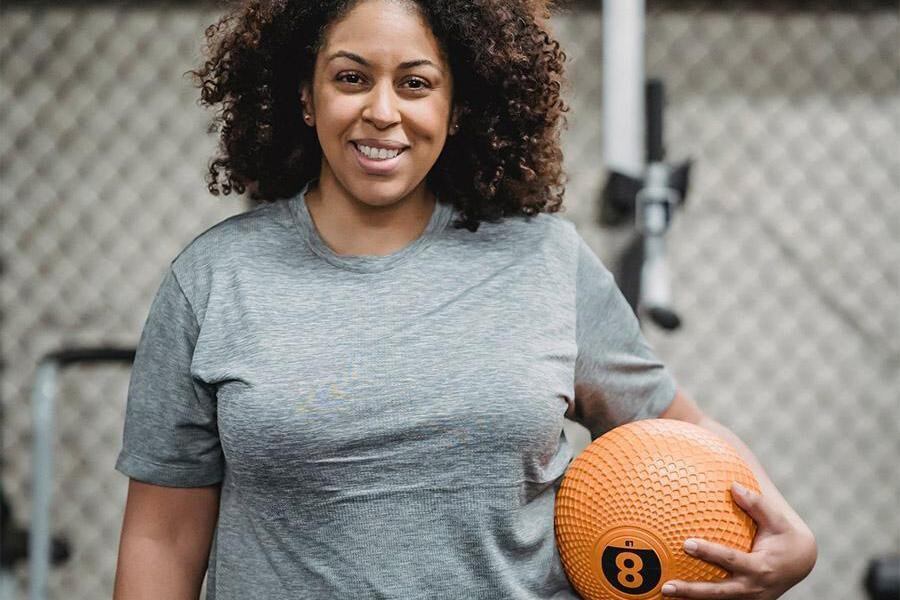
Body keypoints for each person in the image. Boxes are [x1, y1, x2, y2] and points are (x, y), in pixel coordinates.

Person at [112, 0, 817, 598]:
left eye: (416, 84)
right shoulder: (213, 277)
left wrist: (792, 535)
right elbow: (164, 533)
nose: (381, 112)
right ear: (306, 95)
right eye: (351, 78)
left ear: (455, 109)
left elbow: (681, 435)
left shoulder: (544, 259)